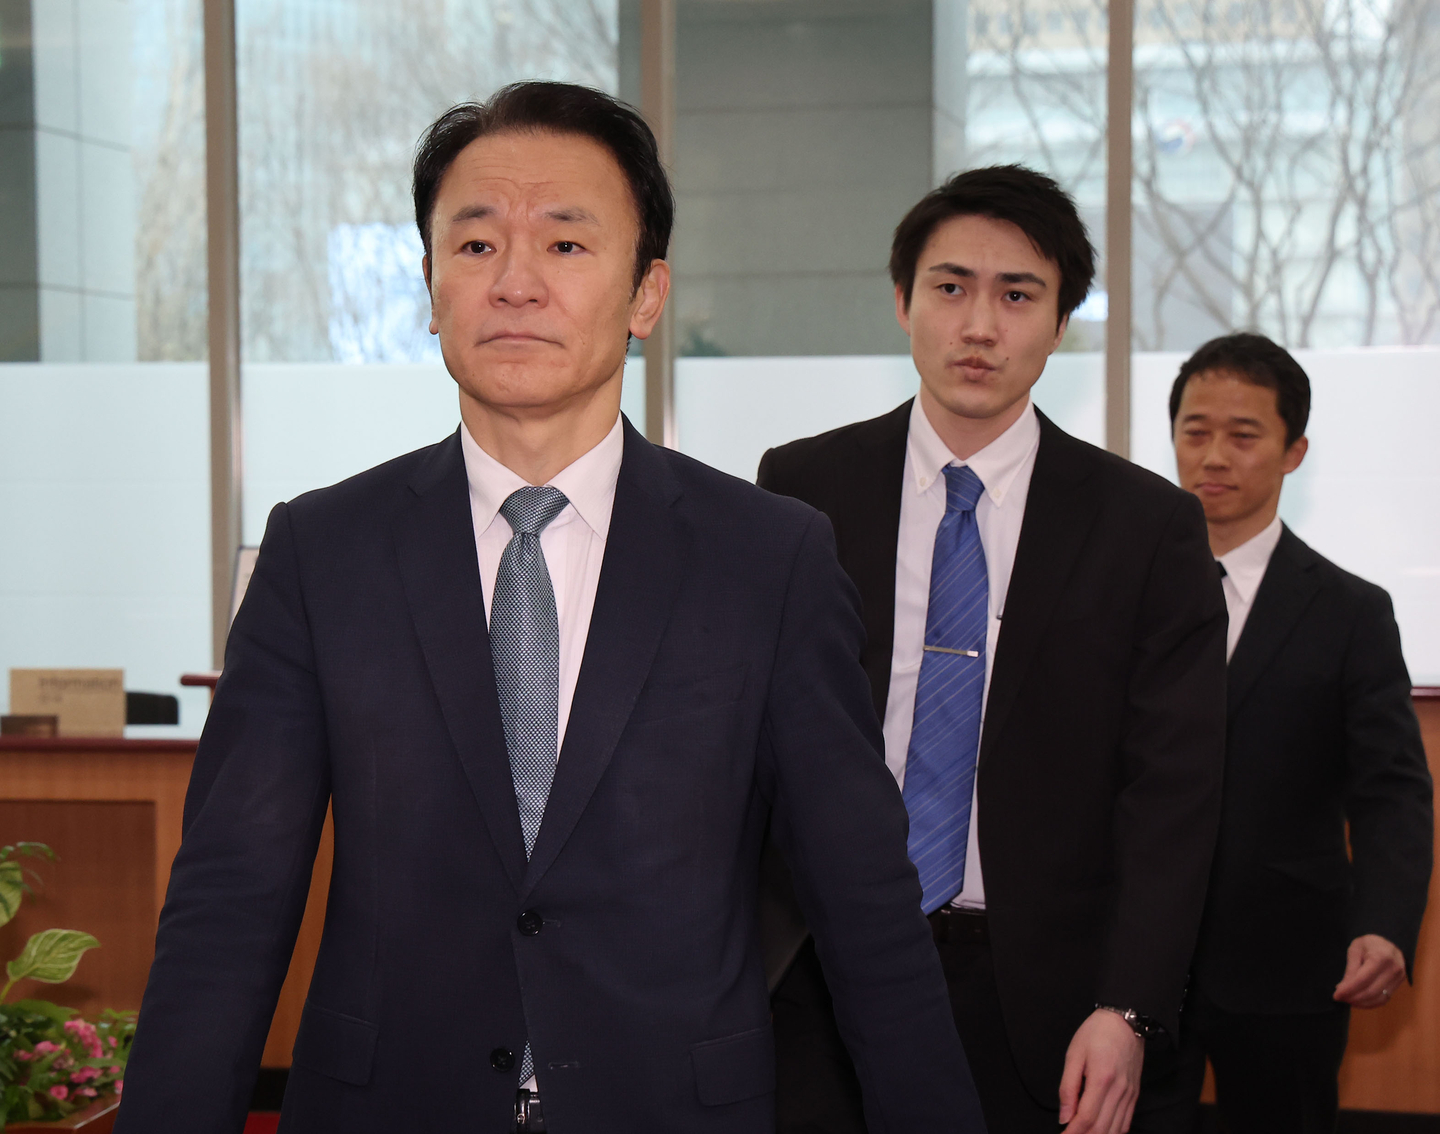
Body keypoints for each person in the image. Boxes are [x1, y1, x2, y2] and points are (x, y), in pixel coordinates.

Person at [114, 82, 984, 1134]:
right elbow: (229, 903)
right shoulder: (323, 551)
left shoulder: (768, 559)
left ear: (646, 293)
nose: (515, 283)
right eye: (475, 246)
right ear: (429, 287)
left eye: (566, 247)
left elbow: (864, 905)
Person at [758, 164, 1227, 1134]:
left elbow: (1174, 793)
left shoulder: (1145, 526)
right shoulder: (802, 486)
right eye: (950, 287)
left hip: (1046, 994)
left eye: (1018, 296)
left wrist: (1129, 1005)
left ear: (1061, 324)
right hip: (822, 967)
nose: (980, 326)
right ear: (902, 301)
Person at [1168, 332, 1434, 1133]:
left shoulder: (1352, 611)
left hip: (1289, 961)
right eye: (1194, 431)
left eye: (1244, 435)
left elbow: (1391, 787)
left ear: (1294, 451)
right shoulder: (1125, 590)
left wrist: (1386, 920)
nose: (1214, 455)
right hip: (1137, 956)